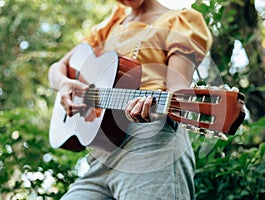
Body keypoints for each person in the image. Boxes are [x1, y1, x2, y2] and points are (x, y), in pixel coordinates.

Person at [48, 0, 212, 199]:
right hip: (99, 154)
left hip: (149, 141)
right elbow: (57, 68)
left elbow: (177, 89)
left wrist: (159, 104)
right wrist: (64, 84)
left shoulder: (181, 21)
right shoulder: (110, 25)